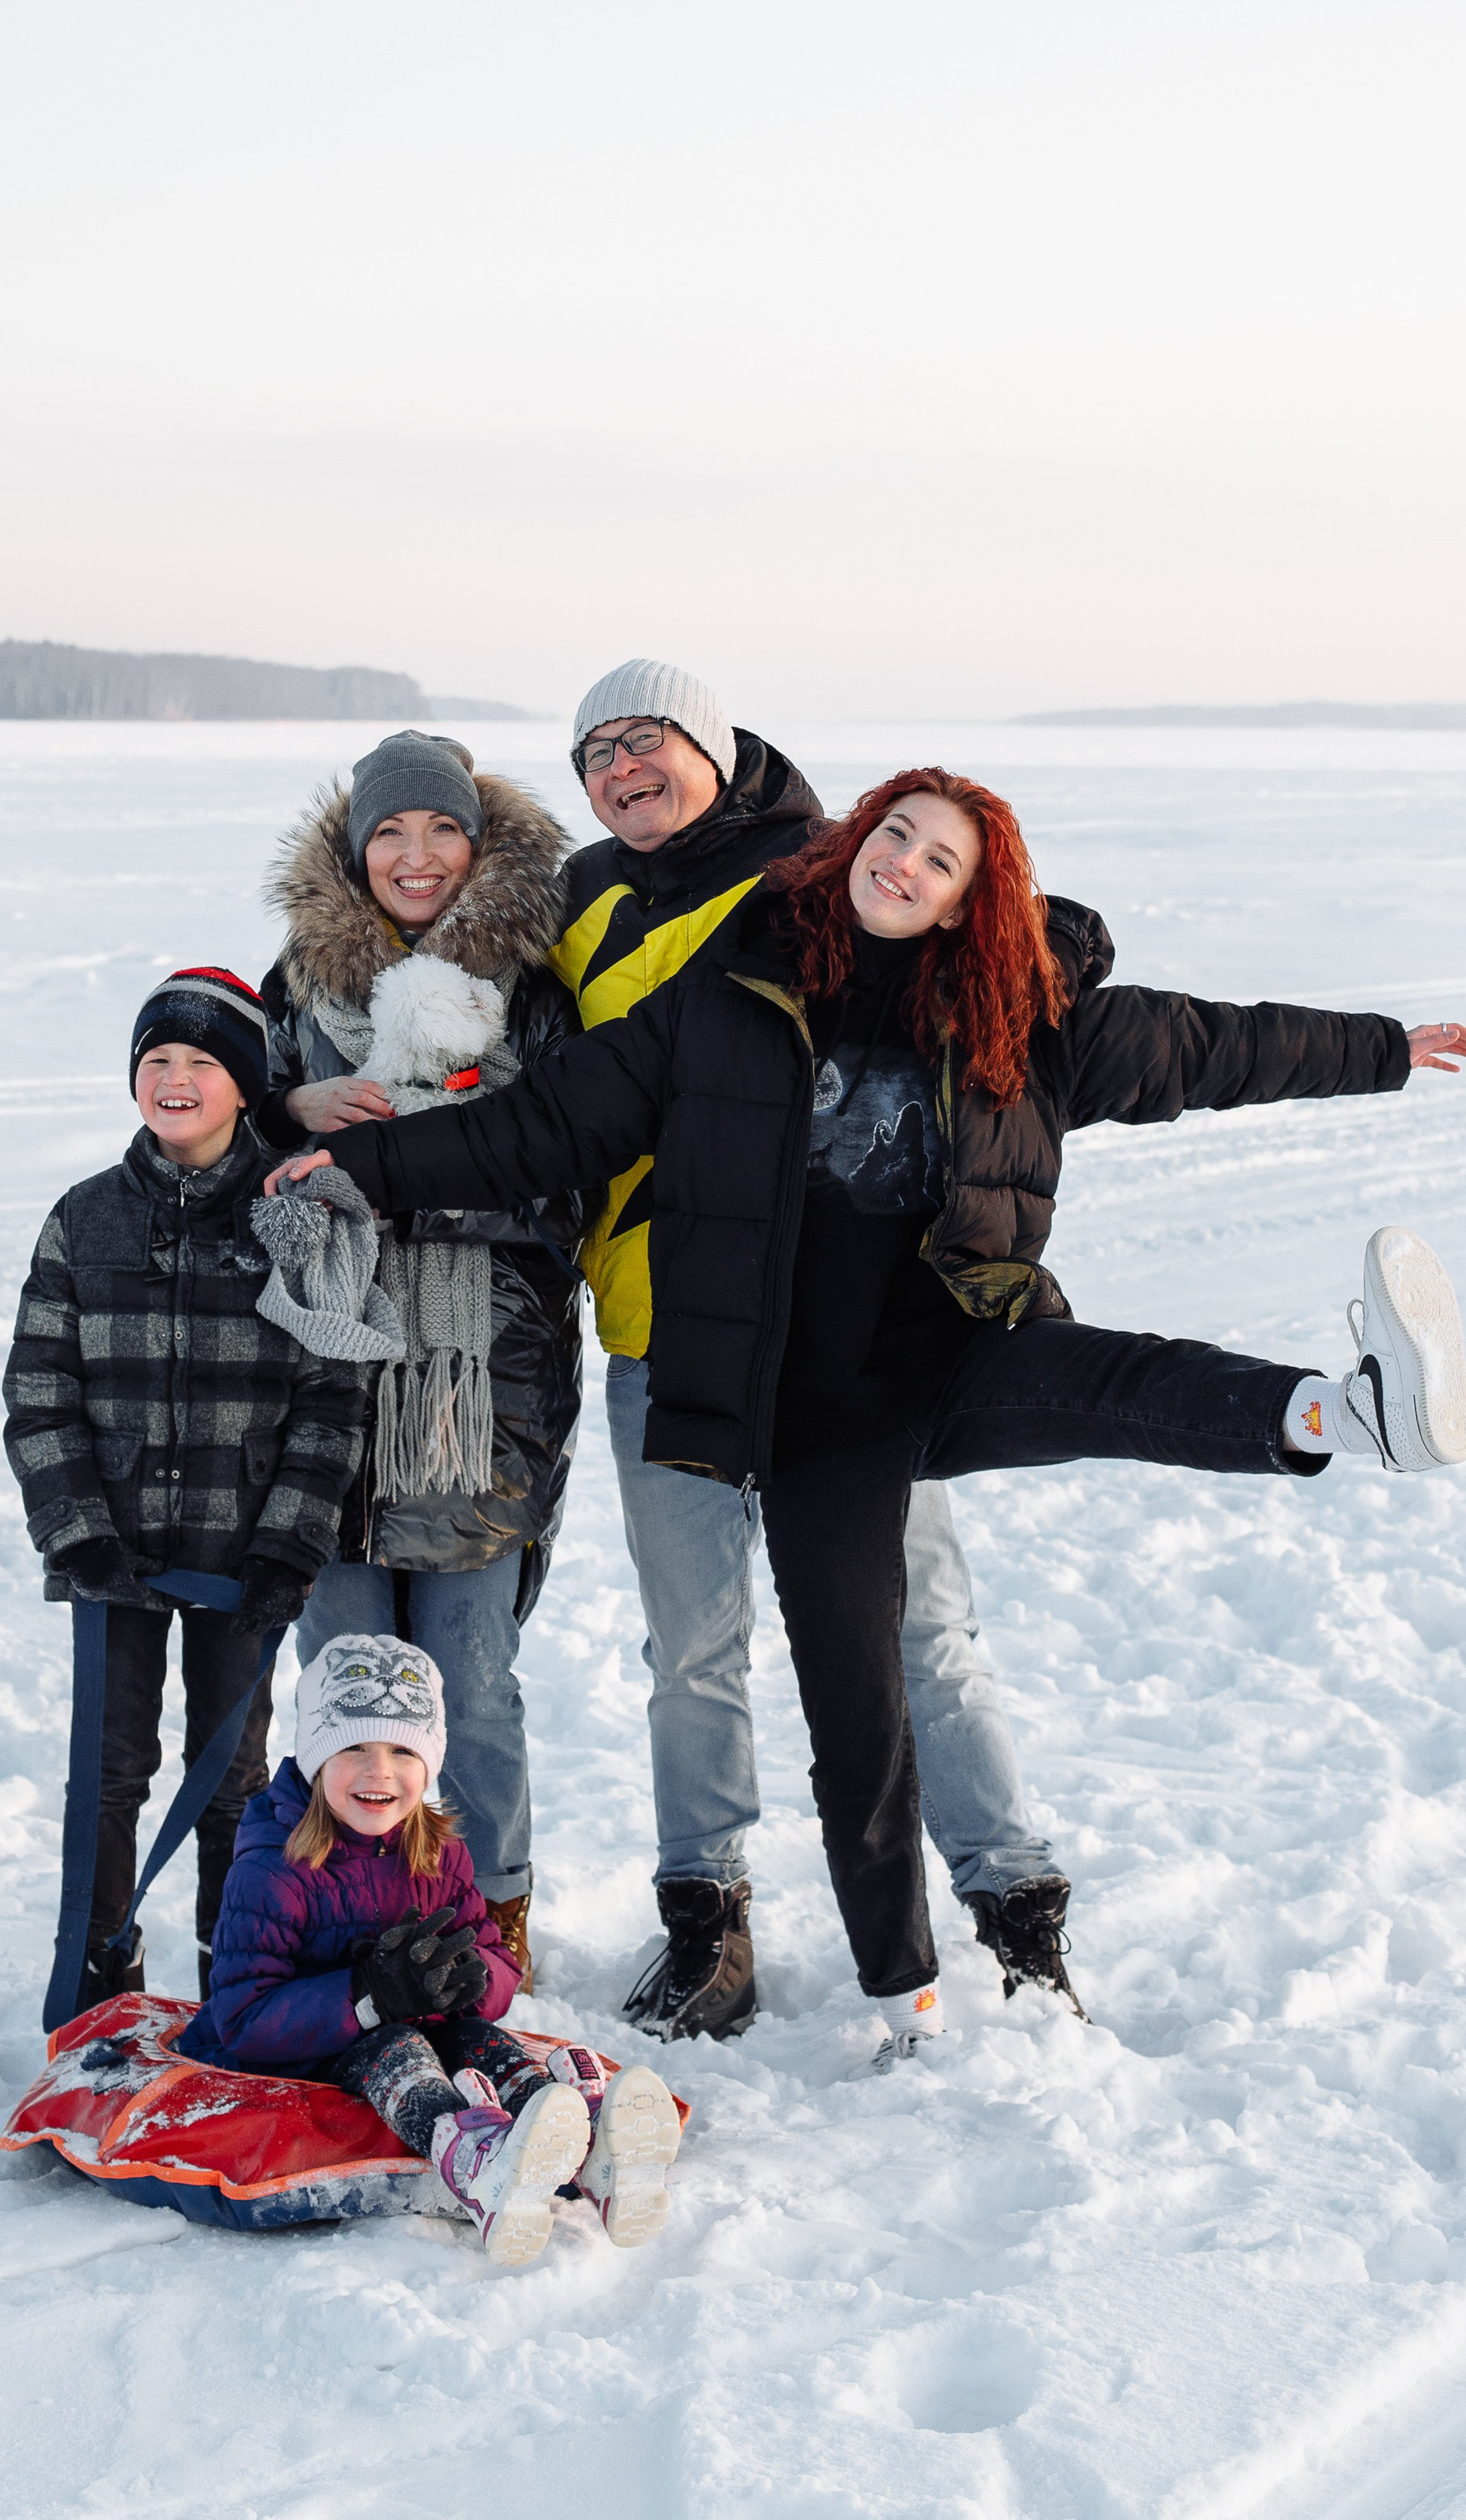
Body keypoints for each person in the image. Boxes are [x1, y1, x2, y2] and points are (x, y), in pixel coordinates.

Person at [268, 768, 1466, 2061]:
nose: (904, 864)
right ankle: (902, 1996)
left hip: (947, 1356)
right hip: (802, 1415)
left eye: (939, 859)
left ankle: (1349, 1414)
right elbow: (544, 1127)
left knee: (1118, 1382)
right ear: (856, 841)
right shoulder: (730, 996)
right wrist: (358, 1162)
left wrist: (1386, 1050)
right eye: (895, 834)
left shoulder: (1027, 1014)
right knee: (855, 1713)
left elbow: (1212, 1046)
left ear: (974, 898)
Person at [551, 661, 1067, 2036]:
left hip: (840, 1341)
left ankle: (1017, 1912)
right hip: (665, 1332)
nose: (621, 766)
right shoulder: (581, 900)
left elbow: (1000, 943)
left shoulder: (816, 870)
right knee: (693, 1647)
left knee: (921, 1631)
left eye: (645, 738)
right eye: (595, 750)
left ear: (711, 749)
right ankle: (707, 1923)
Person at [252, 732, 584, 1994]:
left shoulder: (535, 995)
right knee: (342, 1679)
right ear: (354, 849)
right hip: (329, 1382)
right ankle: (347, 1911)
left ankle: (491, 1912)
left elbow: (570, 1170)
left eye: (441, 830)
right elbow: (231, 1153)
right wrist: (294, 1115)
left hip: (483, 1388)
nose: (417, 855)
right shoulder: (298, 993)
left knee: (471, 1680)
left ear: (478, 844)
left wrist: (429, 1150)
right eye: (391, 832)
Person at [2, 966, 377, 2008]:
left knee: (233, 1782)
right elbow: (39, 1389)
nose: (174, 1079)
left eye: (201, 1062)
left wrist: (290, 1545)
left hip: (240, 1555)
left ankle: (236, 1981)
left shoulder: (294, 1216)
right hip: (114, 1556)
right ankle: (96, 1982)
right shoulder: (84, 1219)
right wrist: (76, 1532)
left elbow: (330, 1394)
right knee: (109, 1776)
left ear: (245, 1084)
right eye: (155, 1060)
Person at [186, 1634, 682, 2265]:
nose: (379, 1770)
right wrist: (366, 1997)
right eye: (354, 1747)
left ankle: (584, 2149)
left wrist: (480, 1978)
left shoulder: (440, 1853)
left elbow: (495, 1955)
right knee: (399, 2047)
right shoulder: (275, 1868)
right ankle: (477, 2162)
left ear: (429, 1761)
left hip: (424, 2030)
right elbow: (242, 2020)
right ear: (313, 1755)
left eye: (402, 1749)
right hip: (317, 2054)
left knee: (480, 2042)